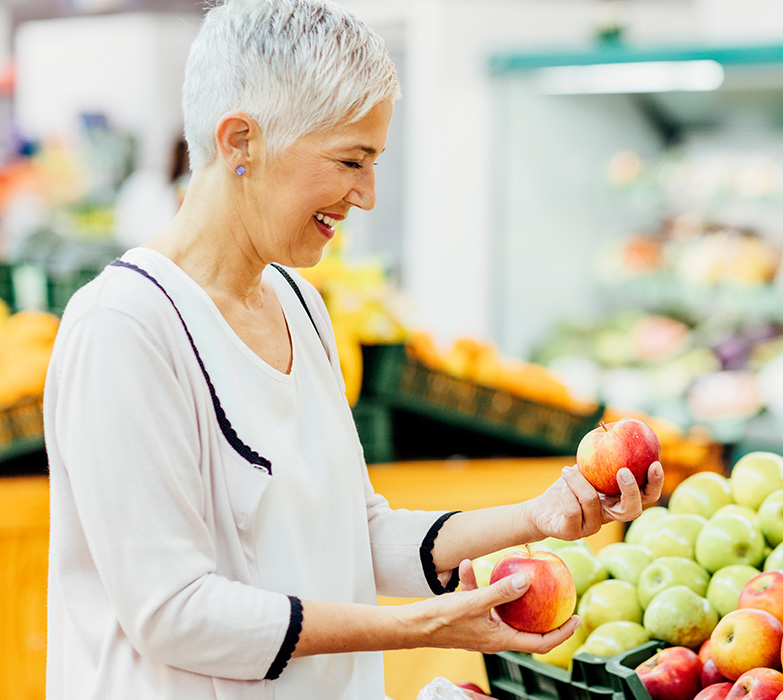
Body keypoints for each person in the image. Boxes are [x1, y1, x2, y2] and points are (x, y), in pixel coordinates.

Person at [43, 1, 664, 699]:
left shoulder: (301, 304)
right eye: (350, 160)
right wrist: (418, 629)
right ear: (240, 141)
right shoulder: (125, 327)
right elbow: (173, 612)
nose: (365, 196)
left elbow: (354, 535)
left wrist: (536, 517)